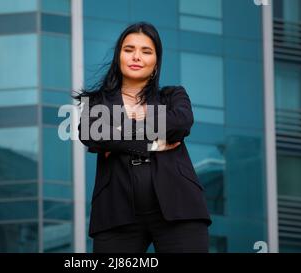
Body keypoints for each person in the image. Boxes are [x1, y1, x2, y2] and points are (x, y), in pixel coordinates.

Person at [73, 22, 211, 253]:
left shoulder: (173, 95)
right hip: (115, 213)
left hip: (180, 208)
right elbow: (91, 133)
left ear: (156, 62)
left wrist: (119, 131)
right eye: (129, 50)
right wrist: (153, 143)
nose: (136, 57)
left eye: (146, 51)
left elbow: (181, 122)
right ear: (119, 56)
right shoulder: (98, 102)